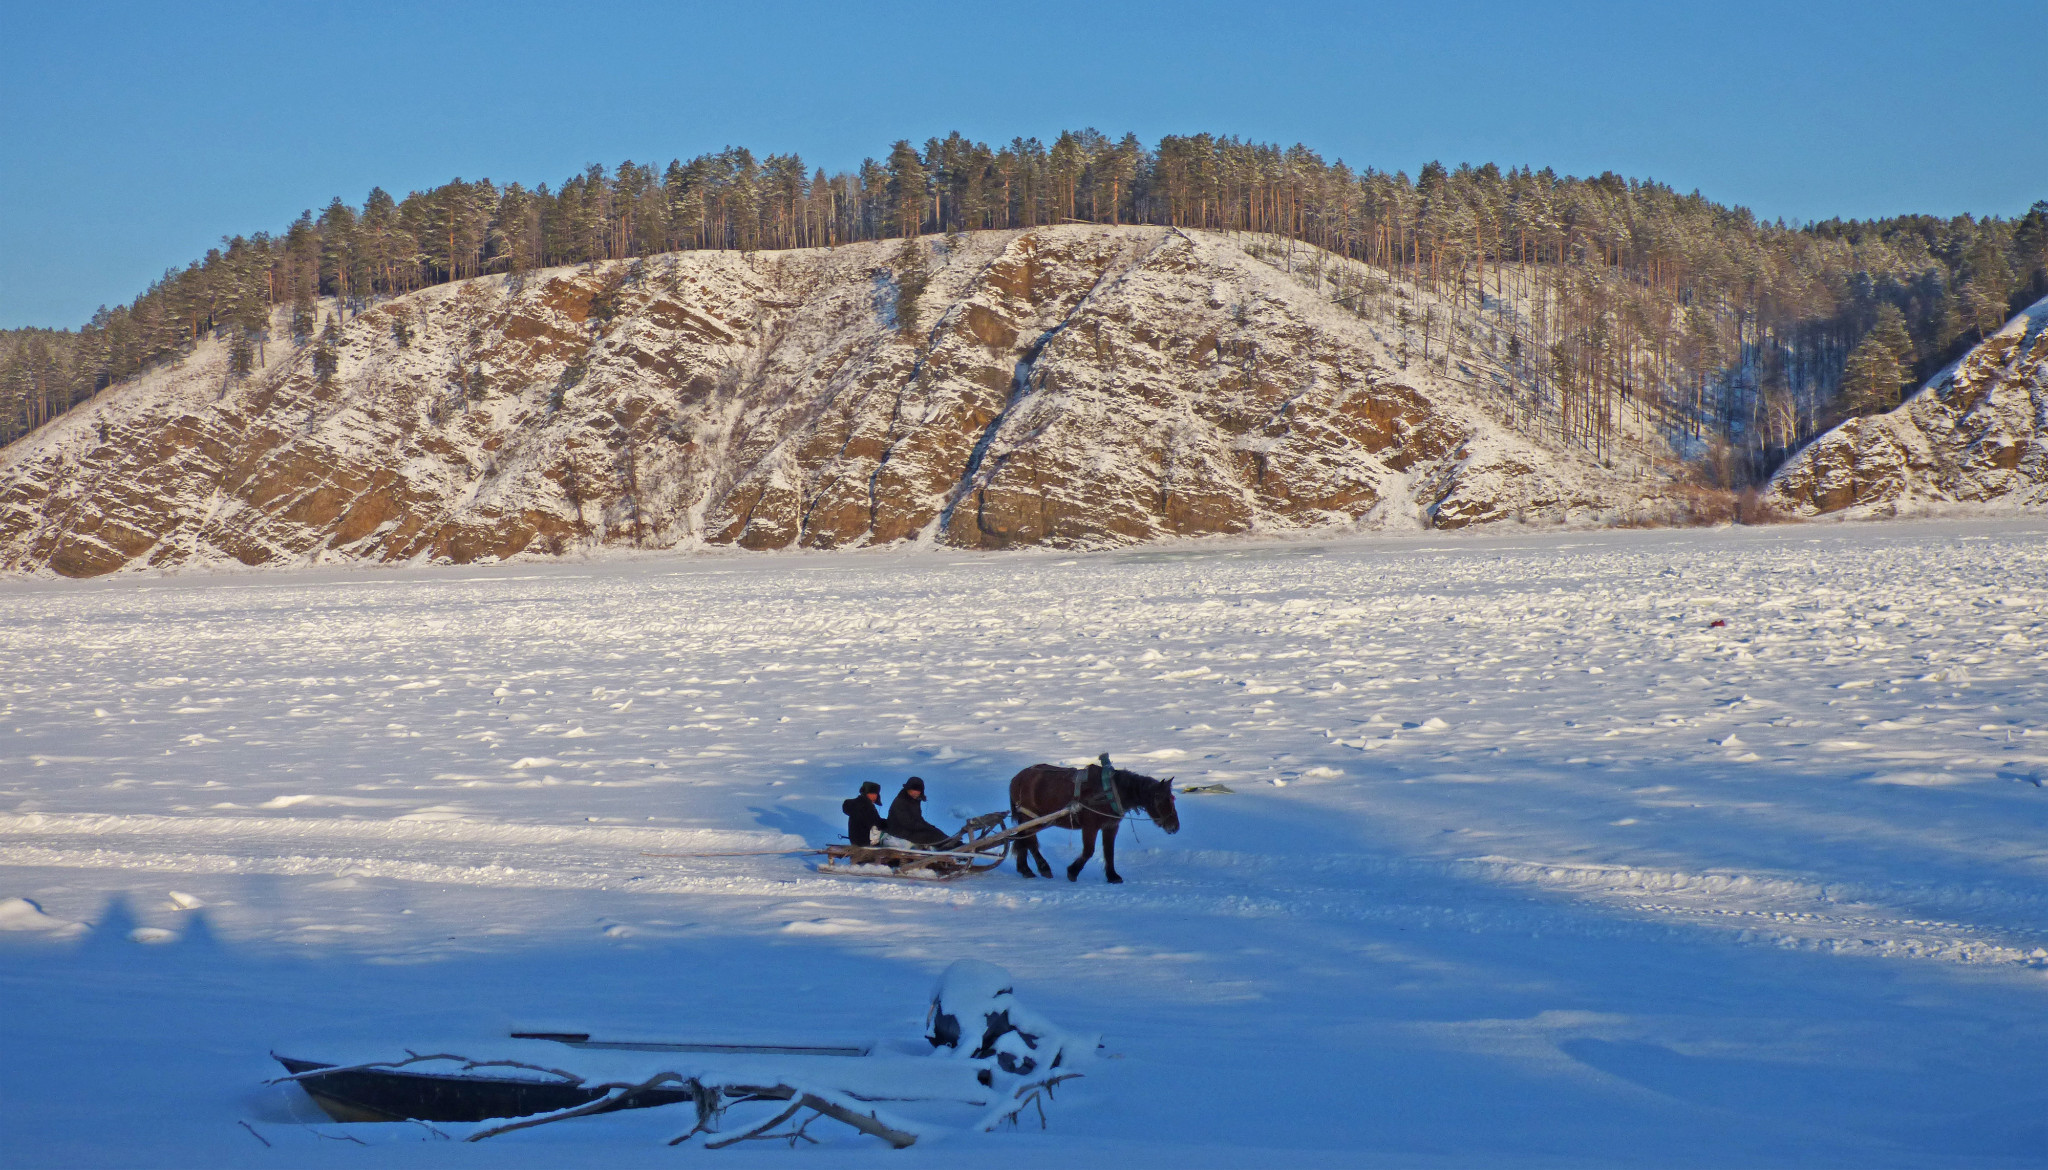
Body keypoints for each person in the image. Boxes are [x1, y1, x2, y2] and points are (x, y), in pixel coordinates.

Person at [885, 776, 950, 847]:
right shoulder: (900, 801)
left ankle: (955, 844)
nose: (916, 792)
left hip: (911, 830)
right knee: (932, 836)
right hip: (900, 831)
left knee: (937, 832)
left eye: (918, 790)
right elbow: (907, 823)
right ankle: (948, 849)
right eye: (913, 790)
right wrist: (926, 827)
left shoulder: (914, 800)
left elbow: (918, 818)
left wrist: (929, 827)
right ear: (907, 789)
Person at [842, 780, 887, 847]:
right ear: (866, 793)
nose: (875, 796)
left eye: (876, 794)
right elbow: (875, 822)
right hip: (865, 842)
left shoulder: (862, 805)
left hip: (857, 841)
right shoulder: (864, 806)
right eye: (873, 793)